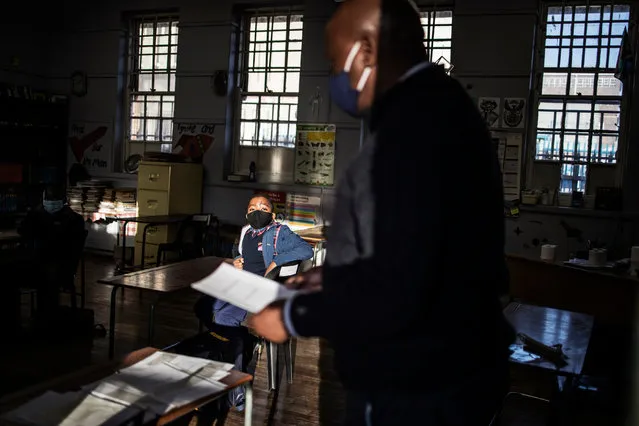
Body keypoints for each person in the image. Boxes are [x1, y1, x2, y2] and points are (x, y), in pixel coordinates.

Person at [250, 0, 515, 425]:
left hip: (419, 385)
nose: (337, 76)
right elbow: (415, 247)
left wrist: (293, 315)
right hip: (448, 368)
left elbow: (403, 286)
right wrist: (332, 277)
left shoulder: (415, 126)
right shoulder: (438, 106)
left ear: (368, 51)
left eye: (337, 61)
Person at [195, 194, 313, 412]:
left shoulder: (279, 232)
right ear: (246, 214)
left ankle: (236, 392)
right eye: (251, 208)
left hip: (259, 291)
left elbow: (307, 250)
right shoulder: (245, 232)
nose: (256, 211)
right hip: (240, 284)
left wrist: (277, 261)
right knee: (203, 306)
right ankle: (241, 343)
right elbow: (239, 254)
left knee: (225, 318)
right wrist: (237, 261)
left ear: (273, 214)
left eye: (263, 208)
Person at [18, 184, 85, 322]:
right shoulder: (38, 215)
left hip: (60, 264)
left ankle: (47, 320)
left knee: (48, 275)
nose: (51, 202)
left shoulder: (73, 219)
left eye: (55, 199)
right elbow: (23, 230)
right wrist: (35, 213)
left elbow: (65, 244)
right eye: (48, 199)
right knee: (11, 272)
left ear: (63, 200)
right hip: (39, 260)